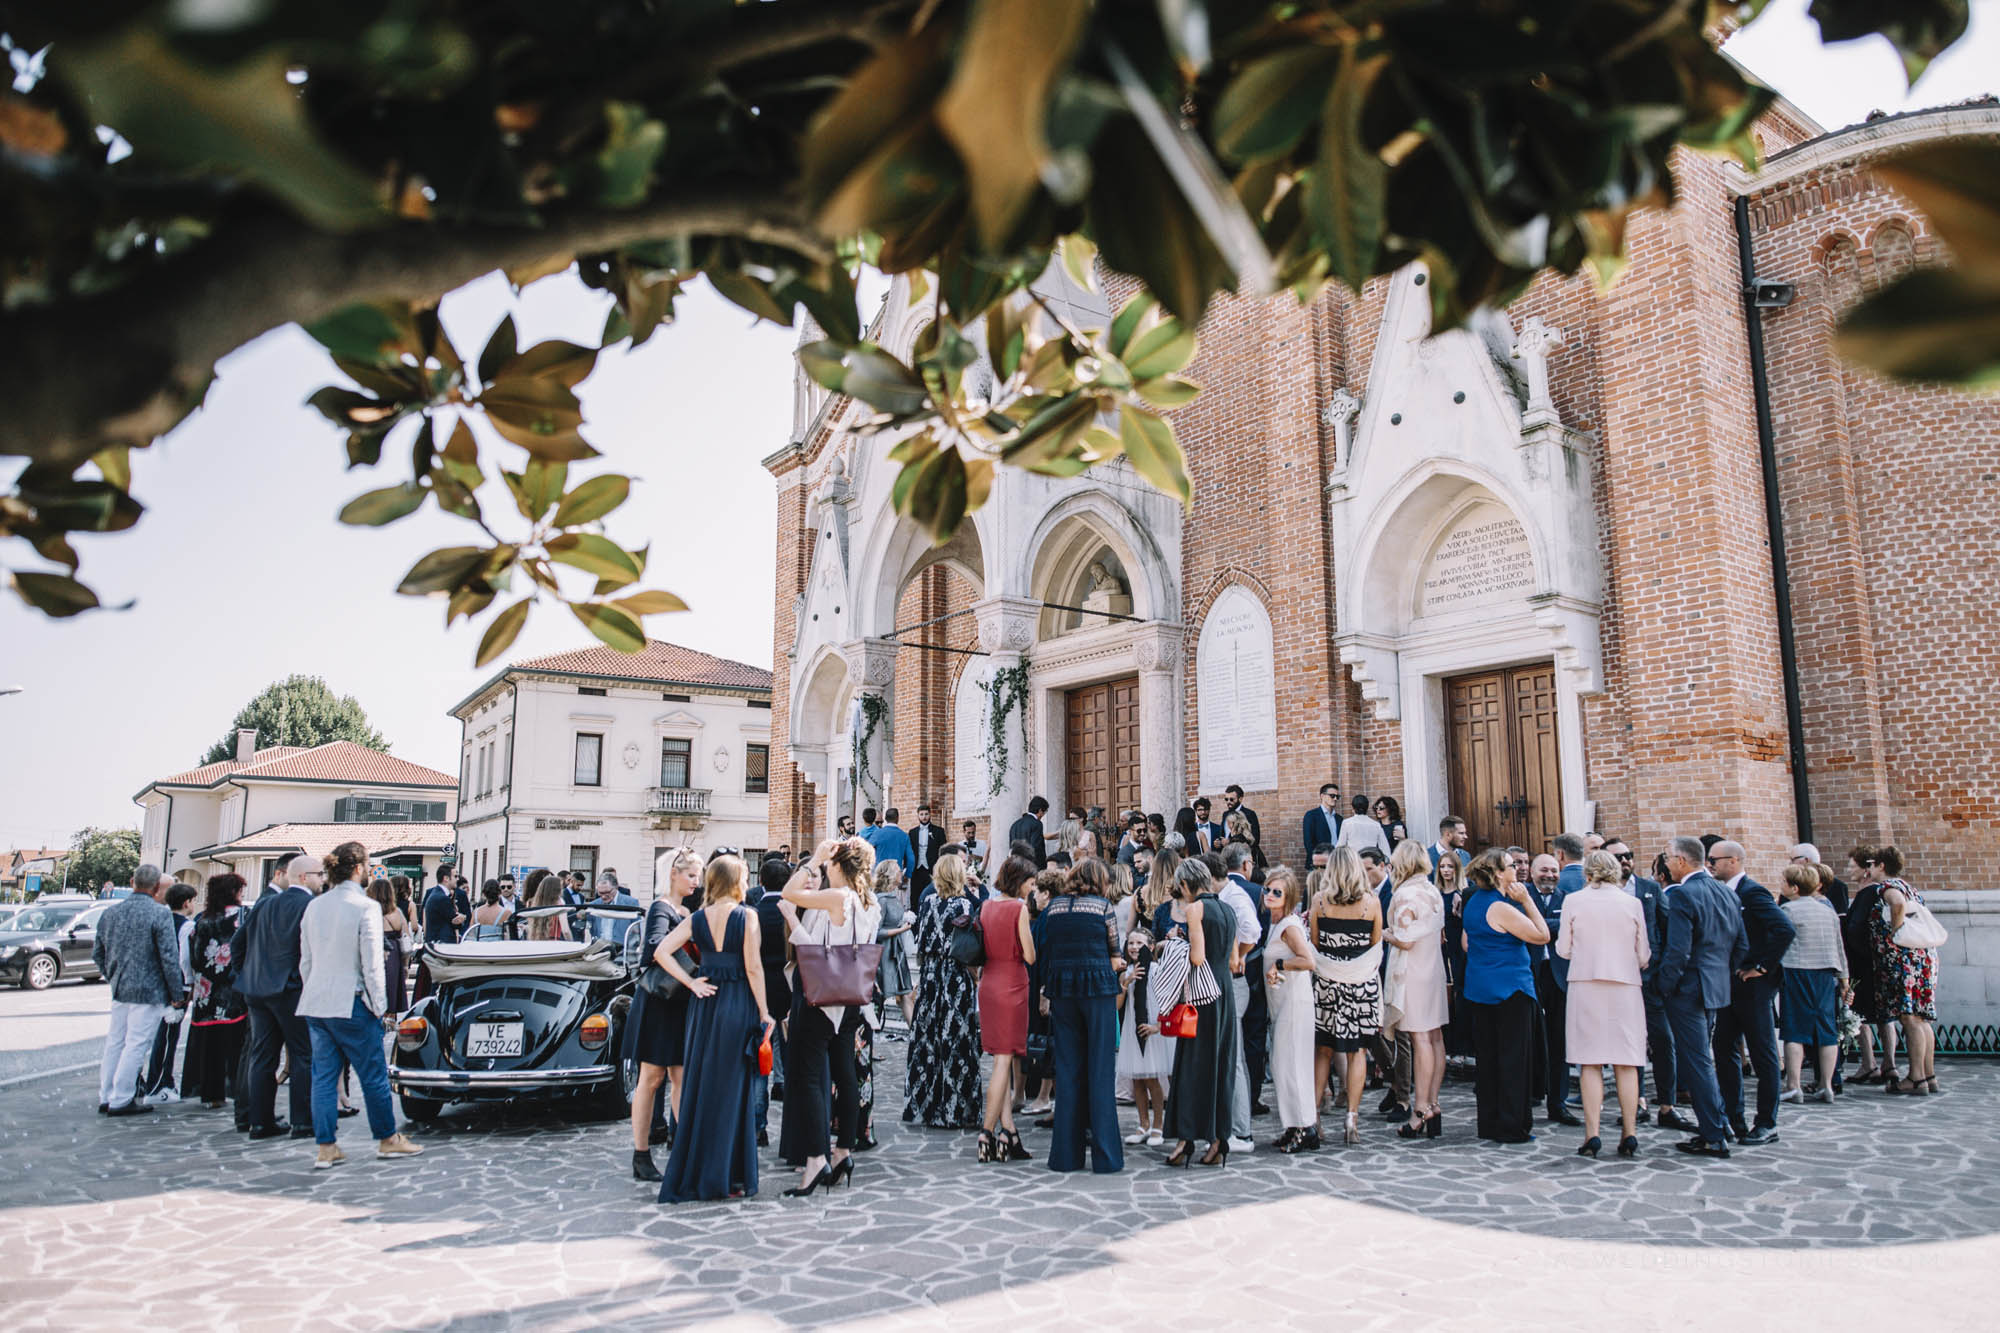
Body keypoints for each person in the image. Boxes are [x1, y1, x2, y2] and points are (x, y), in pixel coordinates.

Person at [649, 854, 774, 1203]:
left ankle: (700, 1170)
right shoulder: (747, 915)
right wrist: (765, 1010)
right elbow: (753, 968)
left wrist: (691, 982)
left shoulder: (698, 917)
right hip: (738, 1003)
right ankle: (730, 1175)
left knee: (701, 1087)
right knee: (734, 1090)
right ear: (736, 880)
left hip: (705, 1005)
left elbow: (661, 951)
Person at [297, 841, 424, 1169]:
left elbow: (306, 961)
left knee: (323, 1076)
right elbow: (372, 964)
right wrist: (379, 1006)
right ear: (358, 868)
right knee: (373, 1074)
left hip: (317, 1001)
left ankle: (326, 1146)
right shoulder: (365, 908)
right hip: (352, 1000)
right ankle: (387, 1138)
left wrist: (313, 988)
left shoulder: (315, 906)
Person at [778, 837, 882, 1195]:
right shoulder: (870, 902)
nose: (824, 870)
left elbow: (790, 892)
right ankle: (843, 1152)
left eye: (828, 866)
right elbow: (827, 948)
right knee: (845, 1074)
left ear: (839, 866)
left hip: (821, 997)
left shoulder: (839, 897)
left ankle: (815, 1159)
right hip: (849, 997)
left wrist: (813, 861)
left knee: (808, 1077)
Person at [1555, 850, 1650, 1158]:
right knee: (1627, 1061)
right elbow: (1644, 955)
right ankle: (1629, 1132)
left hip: (1586, 983)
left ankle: (1592, 1134)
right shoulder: (1632, 903)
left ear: (1588, 872)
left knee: (1590, 1061)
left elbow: (1563, 949)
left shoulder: (1574, 901)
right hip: (1625, 985)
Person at [1657, 834, 1747, 1158]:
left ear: (1681, 860)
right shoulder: (1726, 892)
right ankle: (1719, 1124)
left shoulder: (1683, 895)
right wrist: (1723, 974)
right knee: (1703, 1059)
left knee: (1697, 1062)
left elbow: (1678, 950)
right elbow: (1741, 945)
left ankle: (1712, 1135)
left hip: (1687, 989)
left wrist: (1664, 986)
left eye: (1668, 858)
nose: (1666, 864)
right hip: (1716, 985)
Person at [1032, 858, 1124, 1174]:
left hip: (1062, 989)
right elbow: (1115, 953)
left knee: (1068, 1069)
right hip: (1097, 988)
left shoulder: (1054, 908)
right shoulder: (1102, 908)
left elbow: (1046, 950)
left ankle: (1065, 1156)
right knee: (1099, 1068)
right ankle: (1106, 1156)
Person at [1461, 847, 1550, 1144]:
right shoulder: (1502, 907)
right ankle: (1513, 1125)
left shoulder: (1474, 901)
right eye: (1512, 865)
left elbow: (1465, 944)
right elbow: (1541, 936)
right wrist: (1526, 901)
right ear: (1498, 873)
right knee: (1515, 1059)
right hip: (1510, 989)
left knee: (1488, 1061)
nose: (1517, 869)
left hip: (1480, 988)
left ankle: (1489, 1122)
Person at [1706, 839, 1793, 1144]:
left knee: (1762, 1052)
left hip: (1754, 985)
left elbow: (1784, 929)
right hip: (1729, 983)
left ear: (1733, 861)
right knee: (1724, 1047)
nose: (1709, 864)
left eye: (1714, 860)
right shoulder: (1722, 892)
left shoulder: (1752, 891)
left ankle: (1767, 1122)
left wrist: (1763, 966)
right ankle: (1734, 1117)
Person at [628, 847, 699, 1182]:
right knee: (652, 1078)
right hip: (659, 1001)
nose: (696, 882)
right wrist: (691, 975)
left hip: (679, 1001)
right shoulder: (661, 907)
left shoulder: (685, 909)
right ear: (673, 873)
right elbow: (657, 946)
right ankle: (640, 1152)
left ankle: (682, 1145)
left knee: (681, 1077)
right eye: (691, 875)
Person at [1162, 857, 1239, 1167]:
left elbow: (1196, 957)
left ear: (1184, 885)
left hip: (1201, 994)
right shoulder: (1229, 910)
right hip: (1225, 990)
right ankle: (1219, 1138)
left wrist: (1175, 943)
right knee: (1221, 1066)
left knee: (1193, 1065)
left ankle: (1187, 1138)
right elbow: (1235, 959)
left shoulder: (1195, 909)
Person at [92, 864, 187, 1117]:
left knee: (115, 1042)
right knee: (136, 1044)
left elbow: (98, 953)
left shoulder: (110, 913)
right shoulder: (159, 914)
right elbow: (169, 957)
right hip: (149, 989)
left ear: (133, 881)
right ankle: (122, 1098)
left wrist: (111, 975)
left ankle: (106, 1094)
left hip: (120, 986)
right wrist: (176, 994)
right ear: (157, 888)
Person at [237, 853, 319, 1139]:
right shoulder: (310, 906)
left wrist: (247, 976)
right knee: (302, 1054)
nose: (323, 879)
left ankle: (260, 1122)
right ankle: (303, 1121)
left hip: (257, 989)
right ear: (303, 877)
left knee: (263, 1055)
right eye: (319, 875)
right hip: (290, 988)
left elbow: (239, 945)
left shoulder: (265, 904)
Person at [1307, 848, 1383, 1146]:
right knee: (1358, 1052)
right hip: (1361, 983)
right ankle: (1351, 1118)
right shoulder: (1372, 903)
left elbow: (1314, 943)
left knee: (1324, 1050)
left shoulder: (1320, 901)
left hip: (1327, 981)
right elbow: (1376, 945)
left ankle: (1314, 1116)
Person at [904, 851, 982, 1129]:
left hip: (930, 977)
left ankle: (925, 1105)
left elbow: (922, 942)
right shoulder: (963, 905)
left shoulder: (927, 903)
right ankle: (955, 1109)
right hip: (954, 977)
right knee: (956, 1040)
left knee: (929, 1041)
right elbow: (968, 945)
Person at [1383, 841, 1448, 1140]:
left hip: (1413, 971)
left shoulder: (1406, 894)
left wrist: (1385, 934)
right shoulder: (1433, 890)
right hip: (1432, 967)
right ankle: (1433, 1103)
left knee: (1420, 1037)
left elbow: (1405, 939)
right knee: (1434, 1037)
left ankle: (1419, 1109)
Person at [976, 854, 1037, 1162]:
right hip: (1012, 984)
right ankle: (987, 1132)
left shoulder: (986, 905)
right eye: (1030, 882)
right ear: (1019, 882)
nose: (1033, 888)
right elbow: (1029, 955)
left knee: (999, 1059)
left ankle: (1008, 1131)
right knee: (1003, 1061)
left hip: (989, 983)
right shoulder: (1018, 908)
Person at [1777, 863, 1847, 1105]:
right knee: (1827, 1030)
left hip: (1798, 970)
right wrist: (1844, 978)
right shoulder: (1827, 911)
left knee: (1795, 1030)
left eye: (1784, 881)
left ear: (1794, 887)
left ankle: (1794, 1085)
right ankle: (1826, 1085)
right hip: (1827, 972)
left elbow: (1781, 943)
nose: (1781, 885)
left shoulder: (1788, 911)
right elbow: (1839, 946)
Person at [1872, 846, 1939, 1095]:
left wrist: (1896, 933)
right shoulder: (1909, 885)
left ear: (1881, 865)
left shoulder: (1889, 887)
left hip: (1904, 960)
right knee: (1920, 1018)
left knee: (1909, 1018)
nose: (1869, 869)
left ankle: (1915, 1077)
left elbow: (1897, 904)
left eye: (1871, 864)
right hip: (1922, 957)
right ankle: (1928, 1075)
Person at [1259, 867, 1316, 1152]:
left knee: (1294, 1066)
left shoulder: (1290, 926)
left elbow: (1307, 961)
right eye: (1267, 889)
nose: (1270, 895)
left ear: (1289, 895)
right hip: (1281, 1003)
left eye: (1276, 892)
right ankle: (1293, 1124)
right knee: (1283, 1066)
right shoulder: (1275, 923)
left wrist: (1279, 965)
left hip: (1295, 1004)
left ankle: (1306, 1126)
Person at [1215, 843, 1264, 1151]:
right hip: (1243, 976)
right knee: (1242, 1049)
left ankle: (1242, 1128)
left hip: (1239, 977)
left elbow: (1252, 931)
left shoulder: (1235, 894)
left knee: (1236, 1056)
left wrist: (1239, 956)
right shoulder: (1247, 892)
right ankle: (1240, 1114)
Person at [186, 873, 249, 1109]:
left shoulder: (202, 920)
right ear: (233, 892)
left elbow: (194, 956)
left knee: (210, 1045)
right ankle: (236, 1088)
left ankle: (211, 1094)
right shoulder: (241, 918)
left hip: (207, 990)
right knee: (236, 1043)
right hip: (233, 989)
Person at [748, 855, 793, 1145]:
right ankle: (792, 1129)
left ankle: (758, 1127)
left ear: (760, 881)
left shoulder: (752, 913)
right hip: (788, 988)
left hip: (760, 988)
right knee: (789, 1057)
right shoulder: (792, 913)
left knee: (758, 1059)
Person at [1116, 926, 1173, 1146]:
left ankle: (1158, 1125)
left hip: (1151, 1027)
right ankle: (1142, 1124)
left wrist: (1157, 1025)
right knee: (1136, 1079)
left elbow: (1167, 1000)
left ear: (1150, 946)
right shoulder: (1125, 971)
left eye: (1139, 943)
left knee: (1151, 1078)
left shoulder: (1158, 970)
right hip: (1132, 1027)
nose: (1134, 947)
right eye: (1130, 942)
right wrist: (1126, 982)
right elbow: (1118, 1005)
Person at [1844, 847, 1896, 1084]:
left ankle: (1870, 1063)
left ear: (1867, 870)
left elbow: (1855, 928)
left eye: (1852, 866)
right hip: (1876, 962)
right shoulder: (1879, 892)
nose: (1848, 870)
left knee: (1861, 1014)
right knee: (1884, 1014)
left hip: (1862, 963)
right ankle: (1889, 1064)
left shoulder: (1868, 893)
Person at [873, 860, 917, 1031]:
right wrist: (901, 929)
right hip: (884, 955)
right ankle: (869, 1041)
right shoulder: (881, 900)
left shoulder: (894, 896)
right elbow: (877, 931)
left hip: (896, 952)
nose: (902, 873)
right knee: (879, 996)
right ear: (890, 875)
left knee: (905, 994)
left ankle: (916, 1038)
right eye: (899, 871)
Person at [365, 879, 409, 1015]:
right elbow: (405, 937)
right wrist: (405, 965)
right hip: (393, 953)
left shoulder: (368, 911)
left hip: (373, 949)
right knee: (392, 990)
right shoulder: (397, 913)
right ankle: (390, 1022)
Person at [907, 804, 944, 902]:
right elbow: (909, 852)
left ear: (930, 815)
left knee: (932, 895)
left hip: (932, 869)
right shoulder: (912, 832)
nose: (924, 817)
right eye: (921, 814)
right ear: (918, 816)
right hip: (917, 869)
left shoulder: (939, 831)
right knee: (915, 896)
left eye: (926, 814)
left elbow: (943, 851)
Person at [520, 868, 569, 942]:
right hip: (553, 942)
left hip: (536, 942)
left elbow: (532, 926)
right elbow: (566, 931)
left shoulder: (532, 902)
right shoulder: (559, 902)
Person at [1008, 797, 1051, 869]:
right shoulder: (1037, 824)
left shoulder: (1015, 824)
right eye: (1044, 812)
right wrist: (1043, 868)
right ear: (1040, 810)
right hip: (1031, 867)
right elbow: (1037, 848)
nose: (1043, 815)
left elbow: (1011, 848)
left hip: (1016, 866)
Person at [1303, 784, 1343, 861]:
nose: (1335, 799)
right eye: (1332, 796)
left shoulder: (1339, 818)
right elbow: (1308, 842)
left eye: (1337, 797)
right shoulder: (1311, 815)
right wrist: (1317, 861)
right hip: (1318, 863)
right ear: (1322, 796)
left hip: (1336, 862)